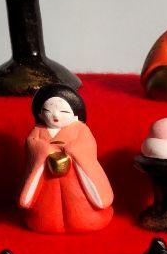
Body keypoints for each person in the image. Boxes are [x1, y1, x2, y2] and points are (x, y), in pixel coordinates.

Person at [19, 84, 113, 233]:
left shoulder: (80, 129)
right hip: (47, 178)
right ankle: (44, 221)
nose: (55, 116)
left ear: (75, 114)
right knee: (47, 207)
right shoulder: (38, 131)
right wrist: (44, 149)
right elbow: (32, 144)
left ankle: (83, 220)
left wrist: (72, 150)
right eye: (48, 111)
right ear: (40, 114)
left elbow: (87, 146)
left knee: (79, 206)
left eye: (63, 111)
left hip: (75, 177)